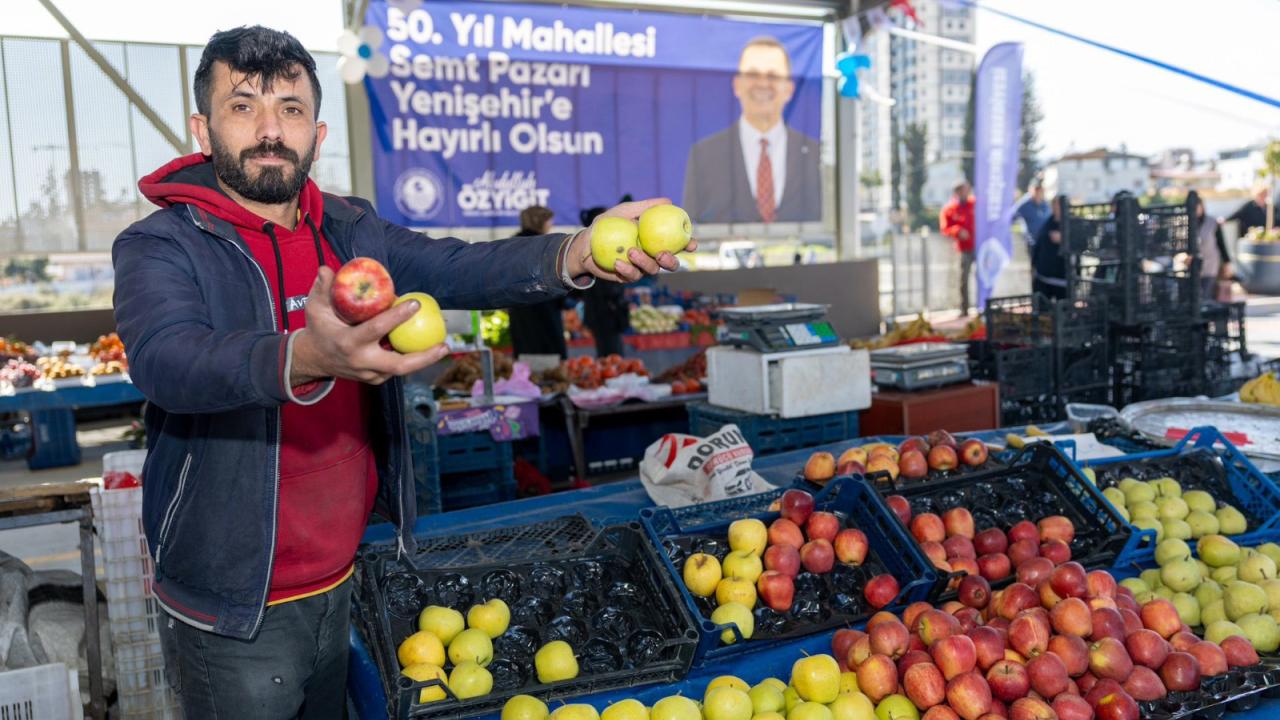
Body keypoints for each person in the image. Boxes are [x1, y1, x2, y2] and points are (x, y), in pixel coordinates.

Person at [111, 27, 690, 719]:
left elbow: (458, 265)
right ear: (203, 129)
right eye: (244, 107)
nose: (271, 129)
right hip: (236, 604)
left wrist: (575, 251)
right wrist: (304, 358)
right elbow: (167, 360)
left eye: (290, 109)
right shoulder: (160, 244)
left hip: (351, 572)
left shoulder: (352, 231)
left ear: (317, 133)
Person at [682, 36, 821, 224]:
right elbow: (692, 227)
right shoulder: (704, 155)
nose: (763, 84)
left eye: (773, 76)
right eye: (753, 74)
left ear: (789, 89)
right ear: (737, 85)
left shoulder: (816, 155)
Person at [507, 205, 569, 359]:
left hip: (520, 310)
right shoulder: (545, 245)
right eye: (549, 221)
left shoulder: (511, 246)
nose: (551, 225)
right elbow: (555, 276)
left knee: (526, 353)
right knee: (549, 356)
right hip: (545, 308)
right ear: (540, 222)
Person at [579, 205, 630, 357]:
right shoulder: (599, 247)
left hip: (599, 313)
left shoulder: (593, 245)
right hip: (605, 314)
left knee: (608, 352)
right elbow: (608, 288)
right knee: (612, 355)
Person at [939, 181, 977, 314]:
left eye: (968, 189)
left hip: (980, 248)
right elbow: (945, 228)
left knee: (983, 278)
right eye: (963, 190)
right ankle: (964, 309)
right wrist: (958, 231)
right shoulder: (949, 209)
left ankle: (983, 307)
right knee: (963, 279)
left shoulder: (976, 204)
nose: (967, 192)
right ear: (958, 192)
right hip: (964, 249)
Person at [1195, 194, 1232, 300]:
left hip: (1210, 265)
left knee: (1206, 295)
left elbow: (1221, 244)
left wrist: (1227, 262)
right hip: (1192, 267)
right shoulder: (1186, 222)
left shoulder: (1212, 222)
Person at [1031, 195, 1068, 300]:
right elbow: (1037, 246)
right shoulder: (1047, 223)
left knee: (1063, 312)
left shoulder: (1073, 223)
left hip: (1063, 280)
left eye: (1059, 205)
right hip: (1043, 278)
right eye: (1054, 205)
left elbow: (1083, 244)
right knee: (1042, 313)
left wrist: (1064, 239)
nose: (1057, 208)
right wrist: (1033, 267)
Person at [1013, 180, 1051, 245]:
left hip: (1044, 241)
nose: (1040, 193)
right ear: (1032, 190)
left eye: (1041, 190)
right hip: (1031, 242)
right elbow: (1012, 217)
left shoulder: (1045, 204)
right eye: (1037, 190)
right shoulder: (1024, 204)